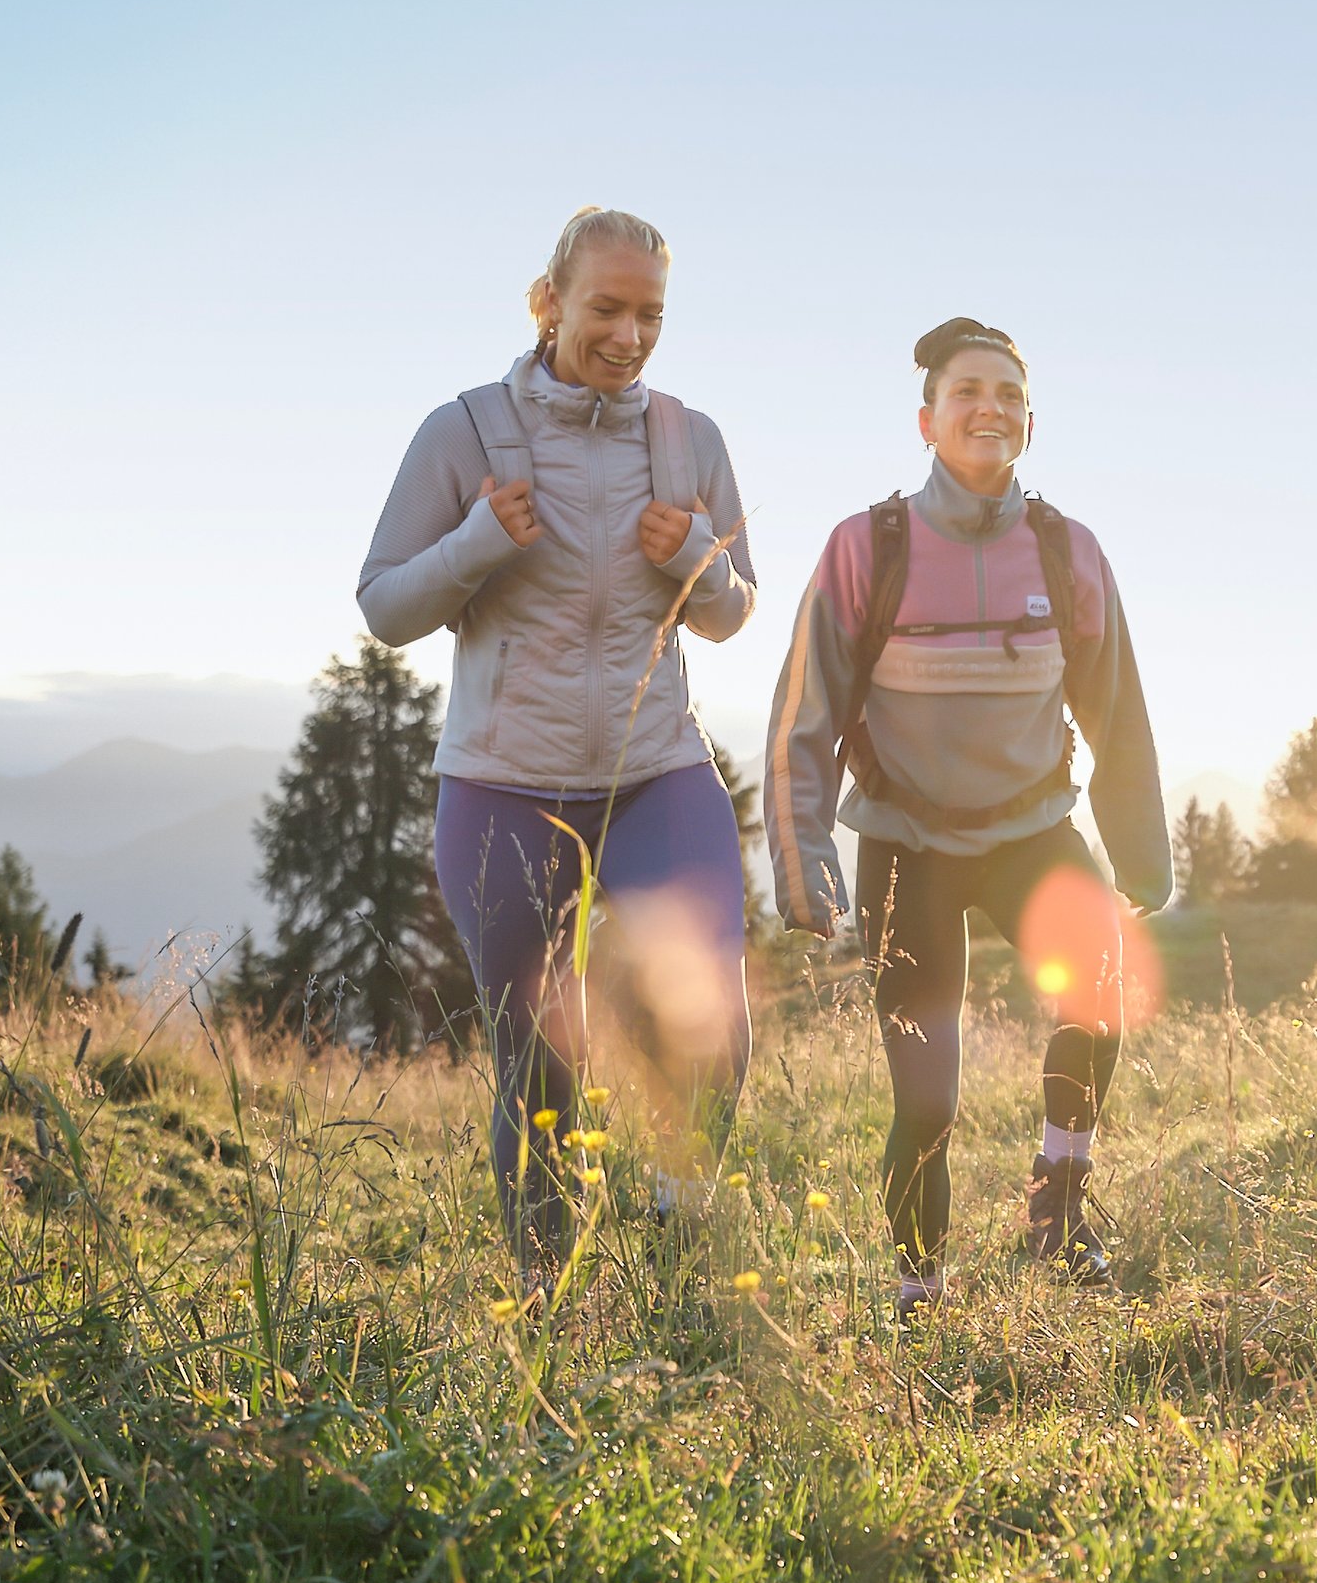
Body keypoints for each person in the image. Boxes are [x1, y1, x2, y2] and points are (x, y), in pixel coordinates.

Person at [357, 206, 757, 1283]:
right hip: (501, 785)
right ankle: (548, 1294)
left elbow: (731, 611)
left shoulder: (690, 439)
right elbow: (384, 606)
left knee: (707, 1002)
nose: (629, 337)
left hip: (654, 770)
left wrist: (699, 570)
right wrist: (478, 544)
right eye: (607, 309)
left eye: (651, 316)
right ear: (548, 302)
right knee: (535, 1061)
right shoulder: (466, 432)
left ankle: (678, 1227)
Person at [765, 317, 1169, 1307]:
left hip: (1032, 831)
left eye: (1007, 394)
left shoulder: (1067, 551)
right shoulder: (868, 547)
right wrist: (801, 857)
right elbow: (804, 712)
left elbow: (1115, 711)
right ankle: (919, 1293)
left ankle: (1058, 1205)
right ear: (926, 420)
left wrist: (1140, 858)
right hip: (907, 846)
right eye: (965, 393)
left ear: (1029, 422)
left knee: (1102, 988)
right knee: (925, 1096)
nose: (988, 407)